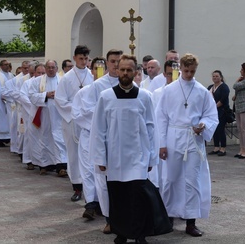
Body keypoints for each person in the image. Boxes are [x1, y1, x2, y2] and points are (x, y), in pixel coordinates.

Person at [90, 54, 172, 244]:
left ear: (136, 72)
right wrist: (100, 158)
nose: (126, 73)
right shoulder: (106, 97)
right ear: (117, 71)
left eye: (129, 70)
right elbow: (99, 129)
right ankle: (120, 233)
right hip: (115, 156)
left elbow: (152, 128)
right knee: (118, 197)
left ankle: (139, 234)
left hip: (138, 155)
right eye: (123, 69)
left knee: (138, 197)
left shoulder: (145, 96)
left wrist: (152, 158)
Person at [155, 53, 218, 237]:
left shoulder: (201, 91)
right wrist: (162, 144)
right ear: (180, 68)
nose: (189, 74)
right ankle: (168, 218)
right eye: (186, 70)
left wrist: (203, 125)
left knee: (192, 179)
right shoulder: (169, 90)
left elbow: (211, 115)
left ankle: (191, 222)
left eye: (192, 71)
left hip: (193, 138)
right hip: (173, 137)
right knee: (171, 178)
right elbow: (161, 117)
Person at [55, 45, 94, 202]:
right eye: (81, 58)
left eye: (86, 59)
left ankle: (90, 187)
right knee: (73, 153)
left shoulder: (92, 76)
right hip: (72, 120)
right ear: (74, 58)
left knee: (89, 154)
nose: (84, 62)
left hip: (89, 121)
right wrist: (78, 107)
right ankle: (77, 187)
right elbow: (60, 100)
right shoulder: (67, 78)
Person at [72, 56, 107, 221]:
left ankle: (104, 203)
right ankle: (91, 204)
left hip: (107, 137)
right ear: (91, 71)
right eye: (96, 68)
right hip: (88, 135)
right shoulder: (83, 92)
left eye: (102, 68)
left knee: (103, 171)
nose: (98, 71)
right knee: (88, 170)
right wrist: (94, 124)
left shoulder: (110, 92)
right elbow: (77, 114)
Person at [27, 60, 68, 176]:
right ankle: (44, 165)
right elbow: (31, 96)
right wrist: (46, 95)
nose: (50, 69)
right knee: (44, 139)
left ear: (57, 68)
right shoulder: (37, 81)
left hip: (59, 115)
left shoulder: (63, 80)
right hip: (44, 115)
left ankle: (61, 166)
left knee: (59, 140)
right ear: (45, 68)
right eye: (48, 67)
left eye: (53, 67)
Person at [207, 70, 230, 156]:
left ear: (221, 77)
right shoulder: (210, 87)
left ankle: (223, 148)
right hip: (213, 113)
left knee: (221, 129)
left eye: (217, 76)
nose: (215, 78)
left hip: (222, 112)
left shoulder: (224, 87)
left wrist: (214, 107)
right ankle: (216, 147)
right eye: (213, 76)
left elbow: (223, 100)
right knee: (214, 130)